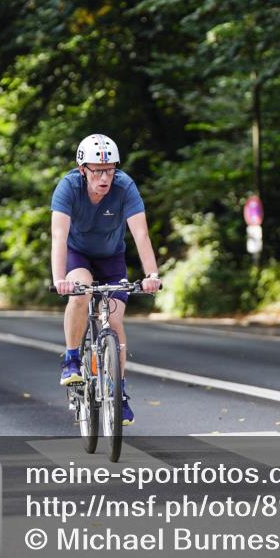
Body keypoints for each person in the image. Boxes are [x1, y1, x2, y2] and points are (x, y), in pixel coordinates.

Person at [50, 133, 161, 426]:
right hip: (78, 256)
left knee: (114, 321)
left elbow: (141, 234)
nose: (105, 177)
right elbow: (59, 237)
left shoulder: (125, 187)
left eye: (110, 169)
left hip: (112, 258)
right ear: (82, 169)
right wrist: (59, 278)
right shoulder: (68, 188)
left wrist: (152, 275)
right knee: (81, 293)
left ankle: (118, 392)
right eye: (97, 170)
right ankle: (72, 358)